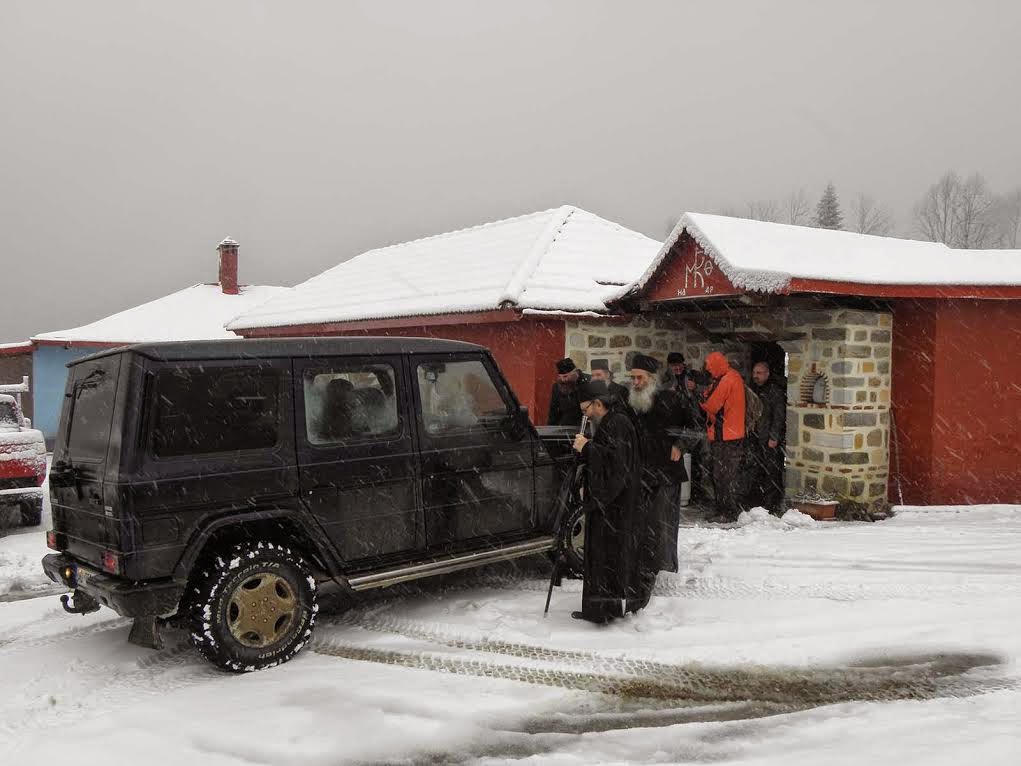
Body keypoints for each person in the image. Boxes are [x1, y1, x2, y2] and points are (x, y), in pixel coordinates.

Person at [570, 379, 645, 623]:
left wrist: (587, 448)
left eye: (586, 411)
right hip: (607, 503)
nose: (586, 416)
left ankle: (604, 611)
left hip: (614, 506)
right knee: (601, 557)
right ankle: (598, 609)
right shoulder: (610, 421)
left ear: (598, 404)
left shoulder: (618, 423)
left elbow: (616, 465)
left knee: (608, 557)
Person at [628, 354, 690, 575]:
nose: (635, 383)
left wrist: (680, 445)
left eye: (640, 378)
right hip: (641, 472)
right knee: (642, 523)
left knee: (662, 524)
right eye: (633, 378)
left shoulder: (672, 400)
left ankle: (665, 570)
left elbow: (695, 424)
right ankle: (644, 568)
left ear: (652, 378)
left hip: (666, 472)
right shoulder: (631, 403)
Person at [699, 352, 746, 523]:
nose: (709, 371)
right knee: (722, 475)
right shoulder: (731, 377)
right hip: (728, 435)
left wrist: (700, 393)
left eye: (709, 368)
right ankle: (722, 509)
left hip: (727, 436)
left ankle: (727, 512)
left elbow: (711, 404)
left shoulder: (727, 380)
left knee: (723, 476)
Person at [747, 361, 787, 513]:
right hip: (755, 436)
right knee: (756, 469)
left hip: (768, 438)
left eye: (759, 373)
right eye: (755, 373)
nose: (756, 376)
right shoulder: (753, 389)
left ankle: (772, 504)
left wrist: (774, 436)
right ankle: (758, 503)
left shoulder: (774, 391)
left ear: (767, 374)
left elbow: (778, 415)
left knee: (772, 471)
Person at [547, 357, 590, 427]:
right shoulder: (557, 387)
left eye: (565, 376)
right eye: (560, 377)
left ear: (575, 372)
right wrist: (550, 429)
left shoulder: (588, 383)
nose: (563, 380)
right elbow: (553, 411)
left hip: (584, 428)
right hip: (565, 428)